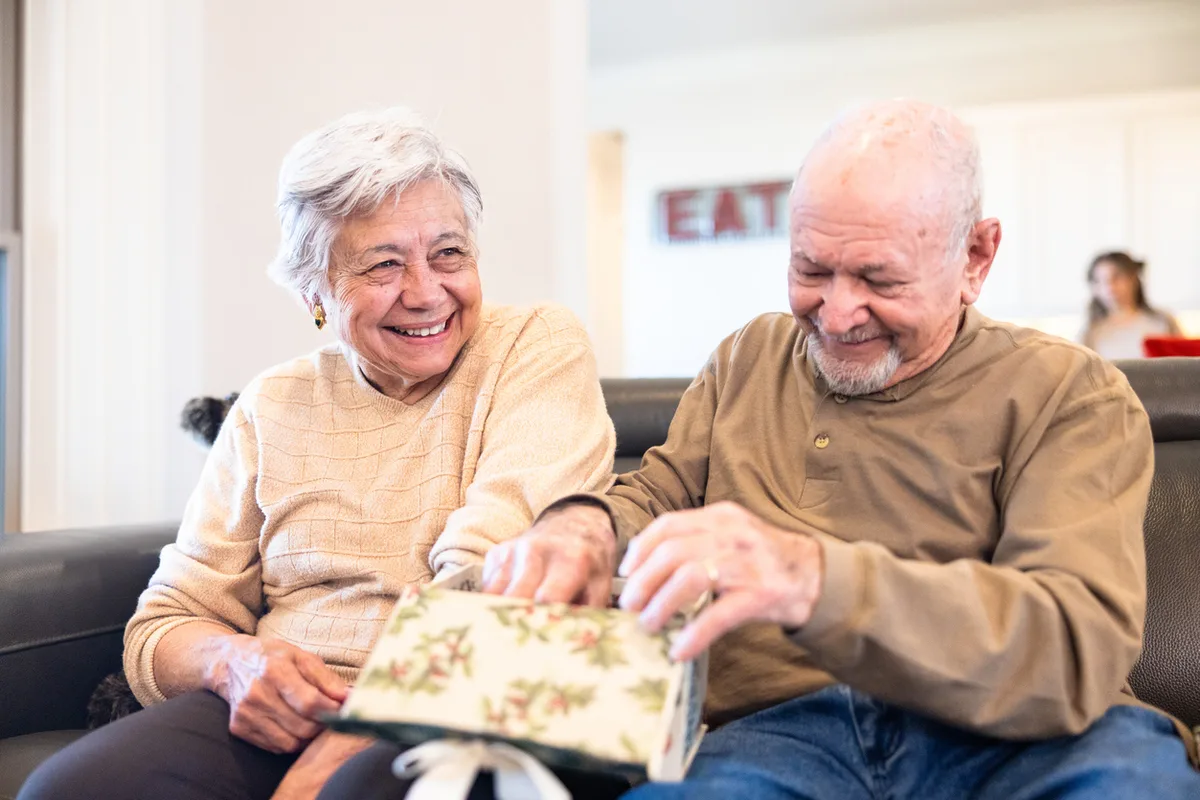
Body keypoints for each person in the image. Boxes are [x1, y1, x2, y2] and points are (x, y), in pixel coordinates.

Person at [483, 100, 1200, 798]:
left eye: (878, 279)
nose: (836, 311)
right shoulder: (749, 358)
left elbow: (1070, 648)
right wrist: (585, 523)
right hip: (776, 738)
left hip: (1025, 740)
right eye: (811, 270)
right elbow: (659, 492)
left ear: (975, 257)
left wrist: (810, 577)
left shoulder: (1071, 393)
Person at [18, 107, 616, 800]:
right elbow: (166, 620)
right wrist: (231, 661)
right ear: (315, 294)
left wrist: (350, 741)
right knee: (73, 789)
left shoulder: (534, 346)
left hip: (466, 703)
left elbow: (494, 574)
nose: (426, 292)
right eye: (383, 264)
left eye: (448, 253)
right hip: (279, 712)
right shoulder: (273, 404)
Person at [1081, 251, 1182, 359]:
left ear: (1133, 279)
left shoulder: (1162, 320)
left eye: (1116, 277)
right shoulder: (1091, 333)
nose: (1108, 287)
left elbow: (1185, 364)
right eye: (1098, 281)